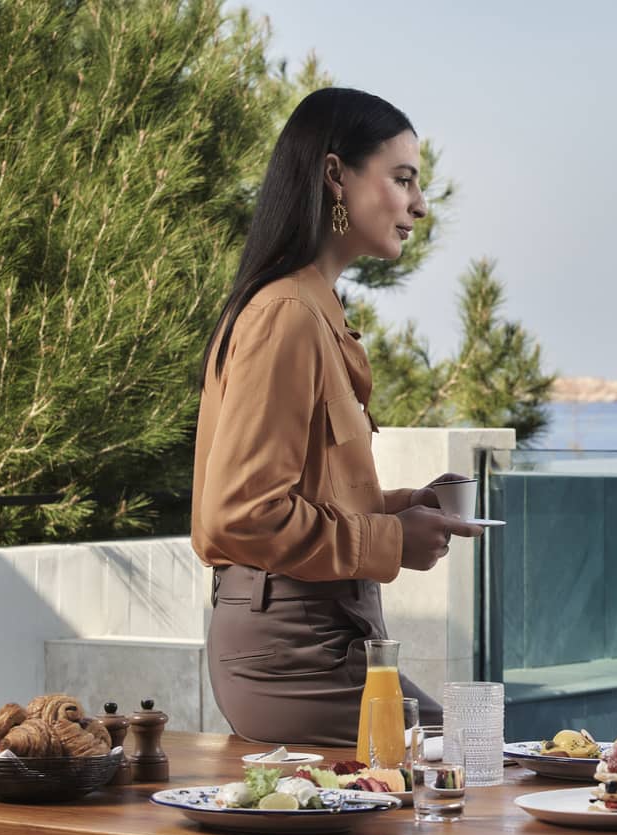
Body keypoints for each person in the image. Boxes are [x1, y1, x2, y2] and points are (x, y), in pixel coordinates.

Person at [191, 88, 482, 745]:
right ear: (334, 176)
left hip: (328, 639)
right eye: (402, 179)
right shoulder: (288, 314)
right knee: (473, 754)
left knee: (473, 752)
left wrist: (406, 508)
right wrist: (391, 539)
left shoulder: (311, 309)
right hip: (292, 653)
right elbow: (240, 513)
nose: (419, 204)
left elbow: (304, 494)